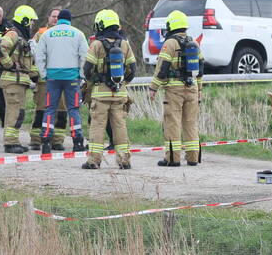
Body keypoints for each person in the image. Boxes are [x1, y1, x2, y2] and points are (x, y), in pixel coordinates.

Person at [81, 9, 137, 170]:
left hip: (100, 94)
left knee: (97, 126)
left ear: (100, 25)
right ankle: (124, 161)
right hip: (119, 94)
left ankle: (94, 161)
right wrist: (121, 83)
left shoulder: (96, 44)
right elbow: (132, 70)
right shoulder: (125, 44)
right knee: (119, 126)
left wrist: (96, 80)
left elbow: (87, 69)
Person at [148, 9, 204, 166]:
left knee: (172, 123)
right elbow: (200, 69)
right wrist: (199, 90)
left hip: (174, 90)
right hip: (192, 88)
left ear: (171, 26)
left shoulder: (170, 43)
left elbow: (162, 68)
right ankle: (193, 158)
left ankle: (172, 159)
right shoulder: (194, 43)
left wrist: (153, 88)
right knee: (190, 123)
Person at [34, 8, 87, 154]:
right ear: (70, 20)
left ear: (58, 20)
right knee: (73, 109)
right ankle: (77, 142)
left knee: (50, 109)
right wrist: (81, 75)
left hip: (52, 78)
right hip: (72, 78)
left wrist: (44, 74)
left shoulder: (47, 34)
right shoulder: (78, 34)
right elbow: (84, 57)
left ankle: (45, 142)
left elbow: (39, 56)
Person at [0, 5, 39, 153]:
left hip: (20, 81)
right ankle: (10, 143)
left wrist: (36, 76)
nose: (32, 24)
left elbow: (28, 61)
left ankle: (14, 141)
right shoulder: (14, 34)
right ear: (25, 20)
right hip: (12, 81)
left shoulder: (23, 37)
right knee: (14, 112)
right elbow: (0, 47)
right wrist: (9, 64)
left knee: (18, 112)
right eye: (31, 21)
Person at [30, 7, 68, 151]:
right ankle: (36, 139)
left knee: (61, 110)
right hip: (44, 79)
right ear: (48, 17)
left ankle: (57, 140)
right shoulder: (40, 34)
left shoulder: (68, 33)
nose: (55, 19)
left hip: (63, 78)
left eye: (58, 16)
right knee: (41, 109)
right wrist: (34, 74)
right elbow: (33, 56)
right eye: (53, 16)